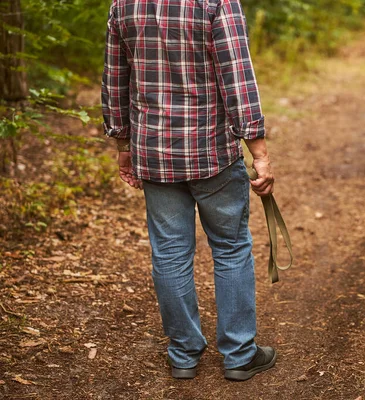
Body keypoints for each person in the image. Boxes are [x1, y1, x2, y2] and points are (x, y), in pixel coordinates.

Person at [101, 0, 276, 381]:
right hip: (211, 150)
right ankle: (239, 354)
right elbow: (237, 76)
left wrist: (122, 144)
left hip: (154, 152)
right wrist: (258, 152)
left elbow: (115, 78)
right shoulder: (216, 2)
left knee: (169, 253)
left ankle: (183, 353)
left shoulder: (123, 4)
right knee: (230, 247)